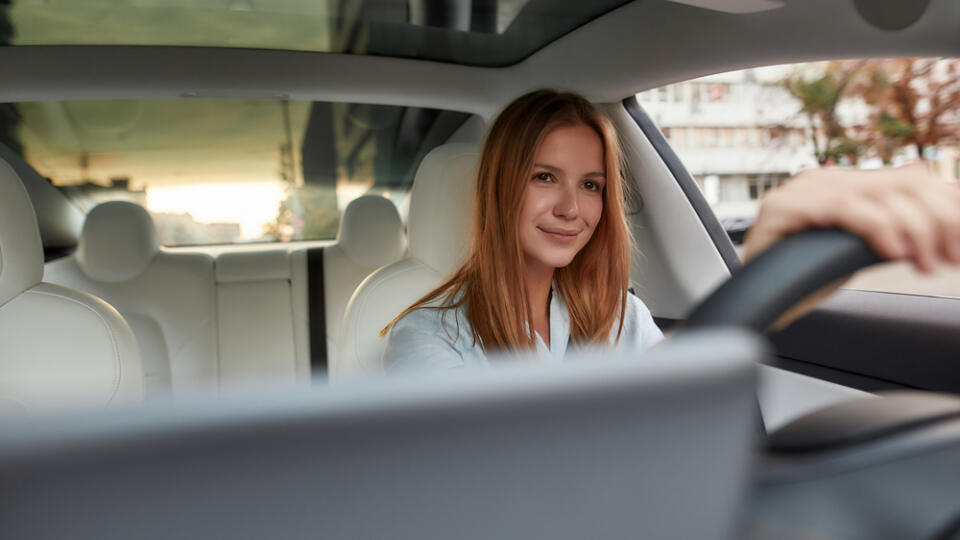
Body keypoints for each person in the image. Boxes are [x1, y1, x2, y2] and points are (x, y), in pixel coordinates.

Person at [380, 89, 960, 371]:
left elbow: (679, 399)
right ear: (498, 187)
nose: (571, 209)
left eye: (591, 185)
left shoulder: (619, 317)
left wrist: (769, 272)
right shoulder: (427, 339)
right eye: (544, 177)